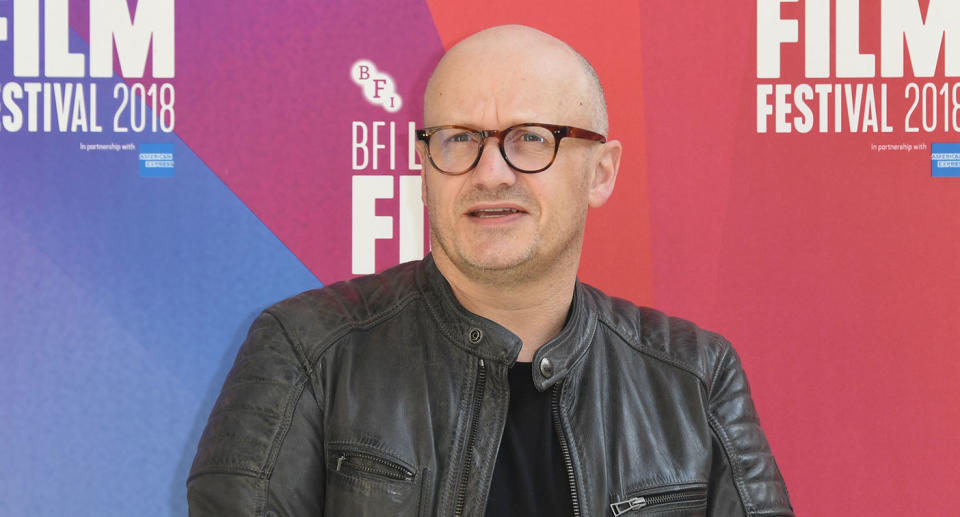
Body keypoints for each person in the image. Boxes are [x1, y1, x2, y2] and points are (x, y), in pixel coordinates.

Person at [187, 25, 793, 517]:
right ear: (424, 166)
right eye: (459, 140)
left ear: (602, 172)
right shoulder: (306, 351)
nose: (491, 172)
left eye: (531, 138)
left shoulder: (695, 376)